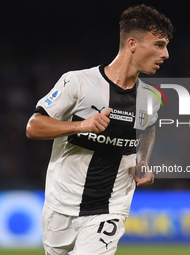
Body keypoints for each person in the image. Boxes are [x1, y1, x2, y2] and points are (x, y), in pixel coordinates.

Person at [26, 4, 173, 255]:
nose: (166, 54)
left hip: (110, 206)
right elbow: (34, 126)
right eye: (159, 44)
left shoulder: (151, 97)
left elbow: (147, 129)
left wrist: (142, 160)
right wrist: (82, 125)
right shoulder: (78, 82)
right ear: (132, 44)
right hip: (60, 203)